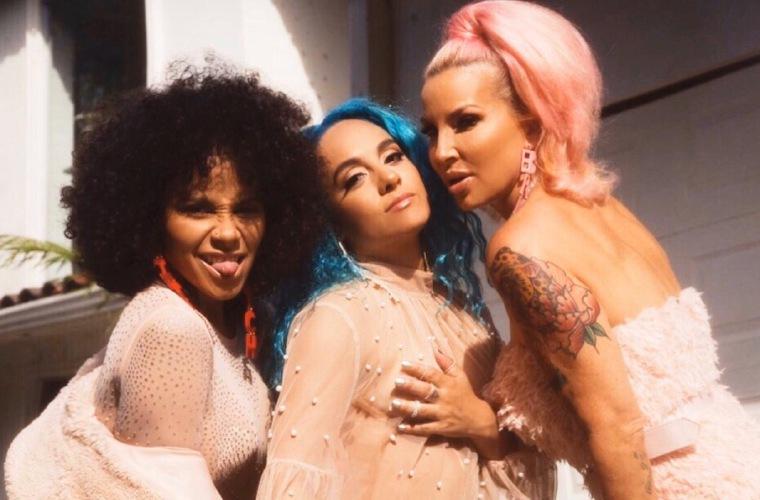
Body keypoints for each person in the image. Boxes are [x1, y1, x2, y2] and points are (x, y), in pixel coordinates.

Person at [418, 1, 760, 499]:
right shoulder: (600, 205)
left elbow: (619, 429)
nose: (442, 151)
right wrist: (480, 419)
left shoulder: (519, 251)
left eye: (465, 121)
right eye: (431, 130)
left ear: (532, 121)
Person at [4, 65, 326, 500]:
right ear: (151, 220)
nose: (228, 232)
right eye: (198, 209)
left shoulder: (244, 321)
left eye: (246, 209)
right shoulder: (172, 331)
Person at [256, 98, 555, 500]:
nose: (388, 179)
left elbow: (534, 477)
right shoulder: (338, 316)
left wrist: (481, 423)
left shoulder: (466, 314)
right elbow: (293, 484)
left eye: (393, 156)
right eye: (354, 179)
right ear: (330, 224)